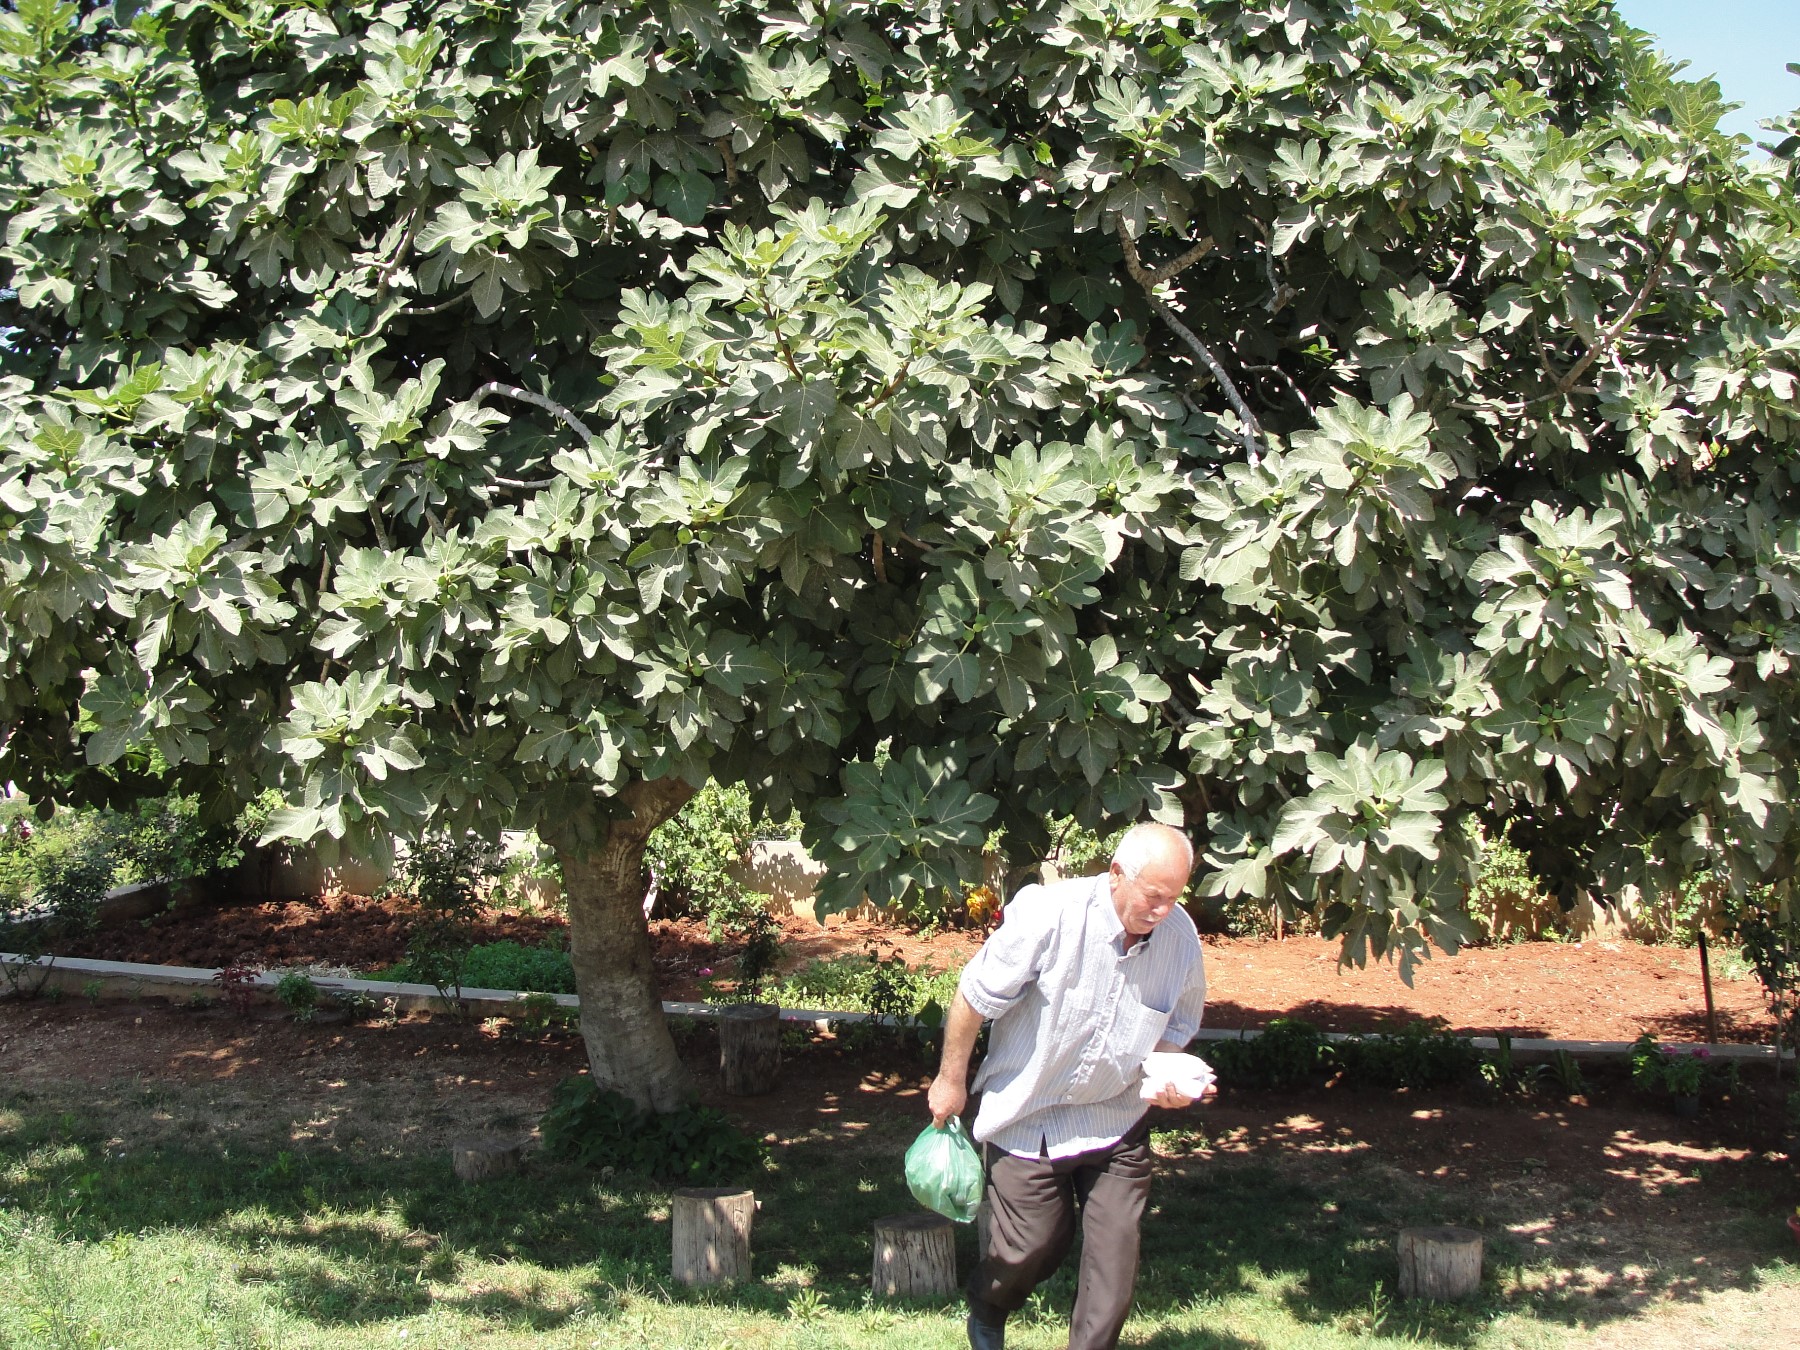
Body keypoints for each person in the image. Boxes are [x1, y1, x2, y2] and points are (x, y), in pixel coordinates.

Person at [926, 822, 1211, 1350]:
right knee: (1032, 1246)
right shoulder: (1050, 915)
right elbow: (973, 996)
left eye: (1174, 898)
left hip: (1116, 1116)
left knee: (1114, 1261)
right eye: (1154, 896)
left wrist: (1168, 1078)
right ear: (1117, 874)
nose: (1164, 911)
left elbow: (1175, 1028)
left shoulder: (1180, 938)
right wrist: (950, 1080)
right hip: (1027, 1112)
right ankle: (988, 1307)